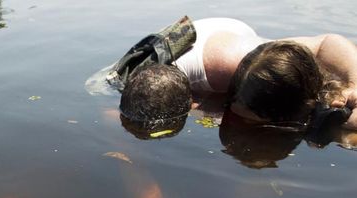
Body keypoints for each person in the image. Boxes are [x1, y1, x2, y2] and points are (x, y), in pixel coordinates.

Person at [119, 17, 357, 134]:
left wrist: (353, 83)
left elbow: (327, 42)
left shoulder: (243, 62)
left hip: (224, 37)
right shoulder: (139, 88)